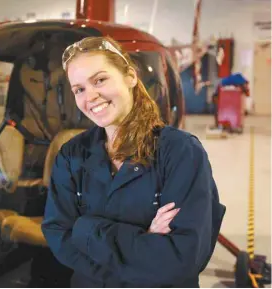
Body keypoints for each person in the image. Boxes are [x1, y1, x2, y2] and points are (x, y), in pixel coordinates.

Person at [41, 36, 225, 287]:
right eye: (79, 89)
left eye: (100, 80)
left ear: (130, 76)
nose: (91, 96)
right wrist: (144, 239)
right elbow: (59, 236)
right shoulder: (72, 154)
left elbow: (183, 258)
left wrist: (85, 230)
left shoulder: (180, 152)